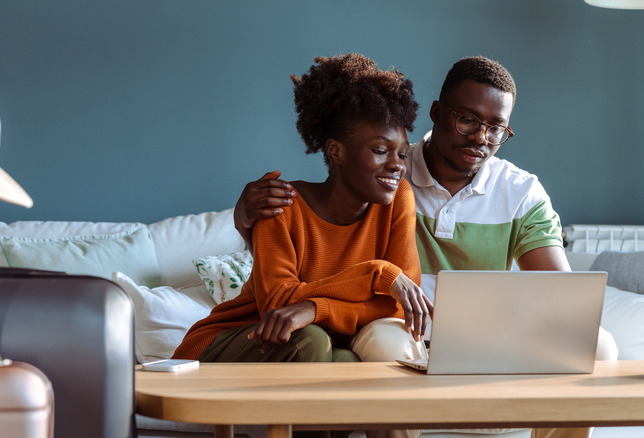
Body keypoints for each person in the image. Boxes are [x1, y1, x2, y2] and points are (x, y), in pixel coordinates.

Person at [232, 56, 617, 438]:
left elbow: (563, 297)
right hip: (399, 327)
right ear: (437, 112)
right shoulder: (386, 173)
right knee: (385, 340)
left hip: (488, 339)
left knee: (595, 343)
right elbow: (314, 240)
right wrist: (244, 217)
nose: (481, 138)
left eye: (496, 128)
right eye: (467, 119)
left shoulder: (520, 192)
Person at [172, 53, 432, 368]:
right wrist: (378, 274)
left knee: (346, 359)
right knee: (311, 340)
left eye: (402, 154)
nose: (396, 165)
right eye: (379, 150)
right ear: (336, 151)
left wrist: (314, 309)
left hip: (312, 345)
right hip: (236, 341)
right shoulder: (281, 204)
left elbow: (397, 309)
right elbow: (278, 304)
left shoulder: (397, 199)